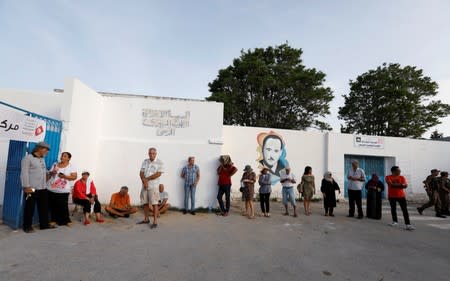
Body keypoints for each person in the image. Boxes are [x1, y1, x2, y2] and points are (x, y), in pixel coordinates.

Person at [20, 142, 56, 233]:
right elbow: (24, 173)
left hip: (43, 188)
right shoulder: (28, 158)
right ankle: (27, 227)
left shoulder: (42, 159)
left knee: (44, 207)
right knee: (29, 208)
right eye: (46, 149)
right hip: (31, 188)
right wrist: (26, 186)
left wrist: (50, 173)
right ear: (39, 148)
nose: (47, 152)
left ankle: (44, 225)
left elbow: (43, 172)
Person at [47, 152, 77, 226]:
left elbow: (74, 177)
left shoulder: (71, 166)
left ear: (68, 158)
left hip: (63, 190)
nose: (62, 157)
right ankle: (53, 220)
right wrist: (52, 173)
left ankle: (66, 220)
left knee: (63, 206)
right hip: (52, 188)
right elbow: (50, 174)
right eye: (62, 156)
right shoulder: (55, 164)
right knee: (53, 205)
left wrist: (65, 176)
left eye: (64, 156)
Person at [139, 147, 164, 229]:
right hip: (144, 185)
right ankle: (146, 219)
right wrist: (144, 181)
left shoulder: (159, 162)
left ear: (156, 154)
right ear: (148, 153)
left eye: (153, 153)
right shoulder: (145, 161)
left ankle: (155, 221)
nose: (151, 154)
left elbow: (158, 174)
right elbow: (141, 172)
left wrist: (147, 179)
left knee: (154, 203)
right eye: (150, 153)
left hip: (153, 186)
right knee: (145, 203)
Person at [385, 166, 414, 230]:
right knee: (393, 209)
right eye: (398, 171)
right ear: (393, 171)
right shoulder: (388, 177)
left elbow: (405, 186)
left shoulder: (402, 177)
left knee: (405, 210)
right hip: (392, 196)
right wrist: (401, 185)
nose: (399, 172)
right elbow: (391, 185)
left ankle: (408, 224)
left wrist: (397, 185)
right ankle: (395, 221)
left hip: (401, 196)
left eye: (400, 171)